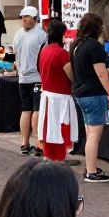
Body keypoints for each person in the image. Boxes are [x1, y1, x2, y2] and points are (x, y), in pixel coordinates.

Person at [71, 12, 109, 183]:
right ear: (96, 28)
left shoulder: (76, 45)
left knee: (90, 131)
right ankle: (91, 171)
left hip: (80, 93)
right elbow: (101, 73)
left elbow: (85, 70)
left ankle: (91, 167)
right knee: (94, 135)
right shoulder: (95, 47)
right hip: (94, 94)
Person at [37, 20, 77, 163]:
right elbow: (71, 76)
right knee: (60, 130)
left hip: (47, 96)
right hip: (60, 98)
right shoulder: (62, 54)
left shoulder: (44, 50)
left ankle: (48, 157)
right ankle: (59, 160)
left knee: (48, 129)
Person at [12, 5, 47, 156]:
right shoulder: (41, 35)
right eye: (23, 17)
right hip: (37, 77)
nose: (24, 19)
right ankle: (37, 144)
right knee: (36, 110)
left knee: (26, 109)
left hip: (23, 77)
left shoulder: (19, 34)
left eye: (27, 17)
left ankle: (24, 144)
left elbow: (14, 53)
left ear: (34, 19)